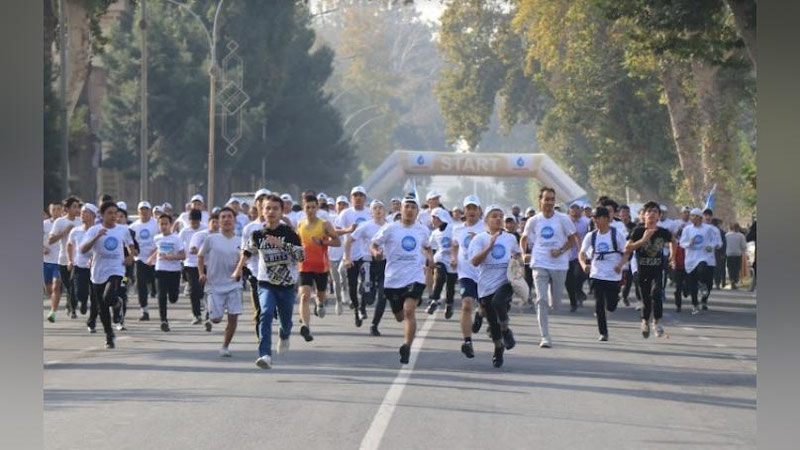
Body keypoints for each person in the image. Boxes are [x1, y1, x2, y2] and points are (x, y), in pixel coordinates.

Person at [234, 194, 304, 370]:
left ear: (281, 212)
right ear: (262, 211)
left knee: (285, 321)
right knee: (265, 313)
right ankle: (265, 354)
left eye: (275, 208)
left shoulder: (290, 233)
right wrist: (238, 269)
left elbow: (301, 256)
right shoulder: (258, 234)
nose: (271, 212)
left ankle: (284, 334)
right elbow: (247, 252)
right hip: (265, 283)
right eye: (268, 208)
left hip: (286, 285)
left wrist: (281, 245)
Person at [370, 195, 432, 364]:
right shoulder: (390, 228)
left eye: (413, 207)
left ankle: (407, 346)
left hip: (415, 276)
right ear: (401, 209)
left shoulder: (422, 230)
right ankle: (406, 333)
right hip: (393, 279)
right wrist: (376, 253)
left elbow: (427, 247)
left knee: (409, 311)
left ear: (417, 211)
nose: (410, 210)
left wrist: (430, 259)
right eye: (407, 207)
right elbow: (374, 244)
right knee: (400, 316)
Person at [520, 187, 579, 348]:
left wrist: (560, 250)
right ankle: (545, 337)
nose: (550, 202)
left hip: (559, 264)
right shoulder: (534, 220)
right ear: (540, 201)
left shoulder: (563, 219)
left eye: (552, 199)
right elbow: (524, 238)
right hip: (539, 262)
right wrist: (524, 254)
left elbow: (572, 239)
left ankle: (552, 297)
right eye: (547, 199)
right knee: (541, 300)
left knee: (556, 304)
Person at [468, 205, 520, 368]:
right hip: (486, 286)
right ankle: (498, 348)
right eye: (494, 216)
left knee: (498, 303)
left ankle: (506, 331)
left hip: (505, 282)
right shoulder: (479, 239)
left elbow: (518, 255)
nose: (498, 219)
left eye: (500, 216)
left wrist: (520, 267)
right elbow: (475, 261)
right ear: (487, 220)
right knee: (492, 323)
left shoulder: (510, 238)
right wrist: (489, 246)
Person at [79, 201, 136, 348]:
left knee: (108, 296)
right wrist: (96, 237)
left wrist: (130, 256)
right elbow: (83, 250)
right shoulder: (94, 230)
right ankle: (109, 335)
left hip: (117, 269)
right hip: (98, 272)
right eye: (109, 213)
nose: (113, 216)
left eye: (115, 213)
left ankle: (117, 304)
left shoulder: (123, 229)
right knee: (102, 307)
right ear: (102, 215)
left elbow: (130, 245)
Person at [626, 201, 675, 337]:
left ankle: (656, 322)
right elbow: (628, 248)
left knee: (657, 294)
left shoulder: (663, 232)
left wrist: (672, 256)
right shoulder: (638, 231)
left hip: (658, 269)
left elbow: (673, 241)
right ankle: (644, 322)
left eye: (655, 211)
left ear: (659, 215)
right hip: (642, 271)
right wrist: (643, 240)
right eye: (649, 211)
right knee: (646, 298)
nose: (652, 214)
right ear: (644, 215)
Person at [197, 208, 242, 357]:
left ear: (234, 221)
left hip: (234, 284)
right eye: (223, 217)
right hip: (214, 285)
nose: (227, 219)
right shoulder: (211, 239)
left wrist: (241, 270)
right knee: (216, 319)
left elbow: (245, 259)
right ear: (219, 221)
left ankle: (225, 346)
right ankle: (209, 305)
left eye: (229, 216)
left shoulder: (241, 241)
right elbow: (200, 256)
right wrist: (201, 273)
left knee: (233, 316)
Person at [296, 193, 341, 342]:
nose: (310, 210)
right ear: (303, 208)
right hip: (304, 266)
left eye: (313, 207)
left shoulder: (324, 225)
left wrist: (322, 242)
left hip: (321, 267)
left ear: (317, 208)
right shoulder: (300, 225)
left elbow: (337, 242)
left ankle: (320, 303)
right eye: (307, 207)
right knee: (304, 296)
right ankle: (306, 326)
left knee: (321, 295)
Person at [579, 207, 628, 341]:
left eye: (598, 218)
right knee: (599, 304)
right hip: (596, 274)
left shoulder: (616, 234)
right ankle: (603, 332)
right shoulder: (591, 236)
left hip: (613, 275)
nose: (595, 220)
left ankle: (612, 304)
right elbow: (582, 253)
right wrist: (584, 265)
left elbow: (627, 252)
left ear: (607, 219)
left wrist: (620, 265)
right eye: (593, 218)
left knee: (611, 305)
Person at [345, 200, 388, 334]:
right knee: (369, 298)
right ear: (371, 212)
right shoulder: (365, 226)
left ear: (385, 211)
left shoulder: (390, 226)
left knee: (383, 294)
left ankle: (374, 325)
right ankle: (361, 306)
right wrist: (347, 258)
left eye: (380, 208)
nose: (378, 210)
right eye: (375, 208)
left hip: (385, 263)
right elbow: (349, 241)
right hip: (368, 262)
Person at [451, 195, 485, 358]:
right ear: (464, 211)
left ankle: (480, 313)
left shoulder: (485, 227)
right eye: (468, 208)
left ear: (479, 210)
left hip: (484, 273)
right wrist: (453, 258)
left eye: (474, 208)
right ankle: (467, 341)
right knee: (466, 304)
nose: (471, 211)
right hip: (465, 273)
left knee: (485, 308)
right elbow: (454, 245)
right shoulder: (457, 229)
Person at [335, 186, 371, 313]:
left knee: (367, 283)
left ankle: (362, 306)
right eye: (355, 195)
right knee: (352, 284)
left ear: (365, 198)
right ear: (351, 198)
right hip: (350, 255)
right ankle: (356, 306)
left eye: (361, 195)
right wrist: (348, 230)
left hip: (367, 254)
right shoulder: (346, 213)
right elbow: (334, 231)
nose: (358, 198)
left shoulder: (370, 212)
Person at [148, 214, 186, 331]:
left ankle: (174, 295)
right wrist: (151, 258)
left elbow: (183, 255)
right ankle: (163, 320)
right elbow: (158, 250)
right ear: (158, 225)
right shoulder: (157, 238)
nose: (164, 226)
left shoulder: (176, 238)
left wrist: (172, 257)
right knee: (161, 295)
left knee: (173, 297)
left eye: (166, 224)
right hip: (160, 270)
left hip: (174, 271)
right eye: (161, 224)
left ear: (170, 225)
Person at [241, 189, 270, 338]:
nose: (262, 202)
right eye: (260, 200)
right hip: (255, 273)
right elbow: (244, 250)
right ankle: (262, 337)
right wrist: (241, 269)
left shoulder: (279, 226)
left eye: (265, 199)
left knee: (270, 309)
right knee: (259, 308)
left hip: (274, 274)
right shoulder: (249, 228)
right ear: (255, 203)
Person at [681, 208, 722, 313]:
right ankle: (695, 303)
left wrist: (711, 246)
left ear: (700, 218)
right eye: (691, 216)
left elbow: (718, 242)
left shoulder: (710, 229)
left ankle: (704, 297)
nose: (692, 218)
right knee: (692, 283)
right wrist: (689, 244)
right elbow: (682, 243)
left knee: (703, 272)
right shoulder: (687, 229)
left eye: (694, 216)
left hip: (706, 258)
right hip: (691, 259)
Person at [48, 196, 82, 318]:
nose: (77, 209)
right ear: (66, 209)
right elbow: (51, 240)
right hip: (63, 259)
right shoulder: (60, 222)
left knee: (75, 285)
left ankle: (73, 309)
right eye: (74, 207)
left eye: (78, 207)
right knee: (69, 286)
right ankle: (70, 305)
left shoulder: (81, 221)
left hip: (78, 260)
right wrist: (65, 232)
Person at [66, 204, 97, 325]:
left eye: (85, 212)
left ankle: (93, 316)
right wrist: (69, 260)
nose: (82, 214)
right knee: (79, 292)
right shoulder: (75, 230)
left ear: (93, 215)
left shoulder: (98, 230)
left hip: (95, 267)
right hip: (79, 266)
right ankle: (83, 302)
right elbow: (69, 245)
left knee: (95, 292)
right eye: (82, 212)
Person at [426, 207, 458, 318]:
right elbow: (430, 247)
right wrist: (430, 260)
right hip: (440, 258)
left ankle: (449, 304)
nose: (432, 220)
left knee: (450, 284)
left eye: (433, 218)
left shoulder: (453, 229)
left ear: (439, 218)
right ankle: (434, 300)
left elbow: (458, 244)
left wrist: (455, 258)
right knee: (440, 277)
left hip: (453, 259)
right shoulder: (435, 233)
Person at [191, 212, 220, 331]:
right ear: (208, 223)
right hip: (198, 266)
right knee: (197, 292)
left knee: (211, 292)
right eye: (213, 222)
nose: (215, 224)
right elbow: (193, 249)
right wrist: (204, 250)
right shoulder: (200, 235)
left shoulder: (222, 236)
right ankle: (197, 314)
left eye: (217, 222)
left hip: (215, 267)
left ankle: (208, 317)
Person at [130, 202, 159, 321]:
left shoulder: (156, 223)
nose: (144, 211)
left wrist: (156, 251)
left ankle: (161, 303)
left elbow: (163, 238)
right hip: (140, 259)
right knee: (140, 284)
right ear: (138, 211)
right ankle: (144, 310)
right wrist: (133, 251)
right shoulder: (133, 227)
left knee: (156, 284)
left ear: (150, 211)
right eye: (142, 209)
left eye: (146, 209)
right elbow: (130, 243)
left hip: (156, 259)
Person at [179, 209, 207, 324]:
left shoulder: (205, 229)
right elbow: (178, 244)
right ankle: (196, 315)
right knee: (193, 288)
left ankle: (203, 302)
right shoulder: (184, 231)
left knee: (202, 289)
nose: (193, 224)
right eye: (192, 221)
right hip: (189, 263)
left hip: (204, 263)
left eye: (196, 221)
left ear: (200, 220)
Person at [328, 196, 350, 315]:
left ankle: (345, 289)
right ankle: (338, 302)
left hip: (344, 252)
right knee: (336, 281)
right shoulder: (330, 218)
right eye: (339, 204)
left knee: (343, 271)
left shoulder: (349, 218)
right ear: (336, 206)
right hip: (331, 253)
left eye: (344, 204)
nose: (341, 206)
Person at [566, 201, 590, 312]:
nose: (575, 210)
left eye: (577, 208)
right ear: (569, 210)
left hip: (582, 253)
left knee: (581, 275)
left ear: (581, 210)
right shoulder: (565, 221)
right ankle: (573, 302)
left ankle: (579, 291)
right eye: (573, 208)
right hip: (567, 254)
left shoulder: (586, 222)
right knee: (568, 280)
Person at [725, 223, 747, 290]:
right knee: (737, 269)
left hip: (729, 254)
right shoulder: (741, 236)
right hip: (737, 254)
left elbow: (724, 244)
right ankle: (735, 281)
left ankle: (732, 280)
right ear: (738, 228)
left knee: (730, 268)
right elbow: (743, 246)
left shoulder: (727, 235)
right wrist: (744, 251)